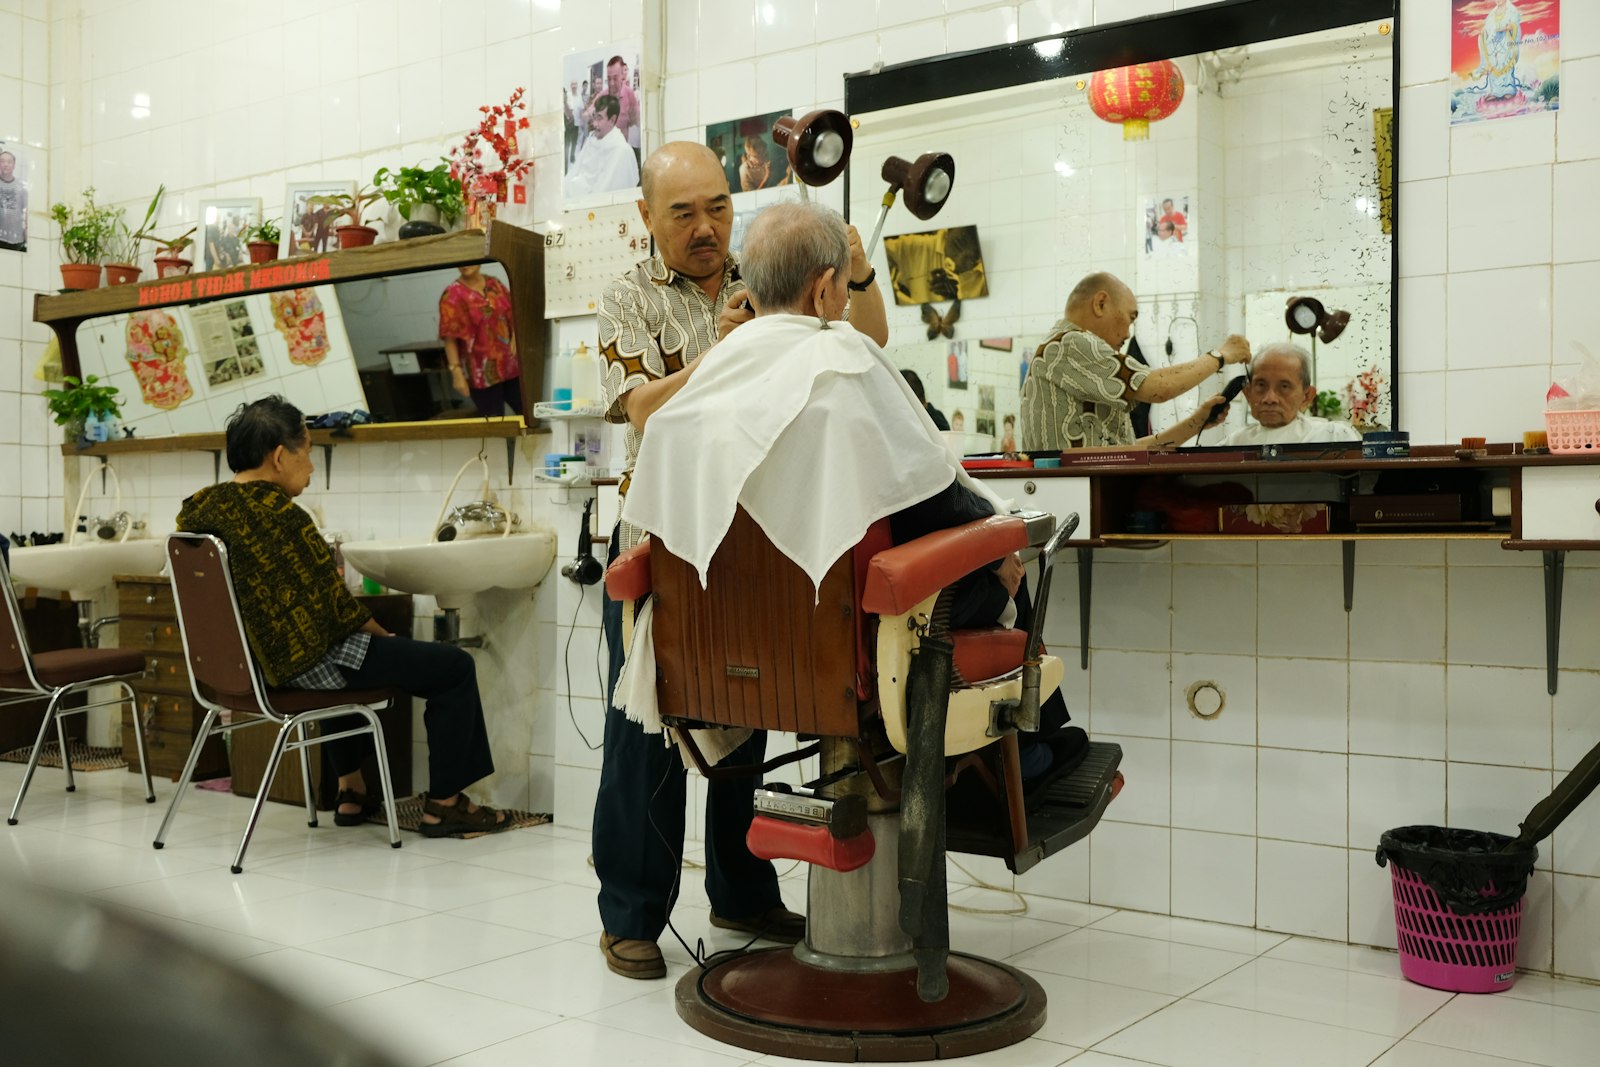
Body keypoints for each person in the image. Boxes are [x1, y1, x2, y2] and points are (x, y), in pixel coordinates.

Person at [621, 198, 1078, 802]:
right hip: (848, 628)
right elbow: (927, 491)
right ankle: (1032, 752)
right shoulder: (845, 362)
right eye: (841, 288)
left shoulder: (699, 385)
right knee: (1001, 574)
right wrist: (993, 543)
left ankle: (1018, 749)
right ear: (825, 288)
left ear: (753, 290)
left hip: (735, 636)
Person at [591, 142, 886, 982]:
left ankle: (741, 888)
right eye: (682, 212)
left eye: (717, 206)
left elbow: (868, 343)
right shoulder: (624, 299)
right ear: (647, 218)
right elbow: (642, 407)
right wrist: (717, 356)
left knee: (747, 705)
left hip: (761, 530)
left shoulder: (766, 266)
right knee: (650, 723)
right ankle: (632, 913)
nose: (706, 227)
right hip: (664, 535)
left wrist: (856, 276)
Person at [176, 396, 506, 836]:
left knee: (349, 658)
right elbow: (335, 610)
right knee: (453, 667)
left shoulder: (198, 512)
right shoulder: (282, 519)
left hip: (244, 671)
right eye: (307, 450)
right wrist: (382, 633)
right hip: (295, 668)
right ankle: (444, 805)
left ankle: (351, 790)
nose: (311, 465)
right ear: (279, 457)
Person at [1019, 271, 1250, 450]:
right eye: (1130, 319)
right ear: (1100, 304)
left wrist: (1197, 421)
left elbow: (1129, 451)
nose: (1128, 334)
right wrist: (1221, 355)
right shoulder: (1071, 344)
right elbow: (1160, 388)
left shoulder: (1065, 353)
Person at [1209, 342, 1362, 446]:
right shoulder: (1233, 443)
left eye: (1284, 386)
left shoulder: (1333, 437)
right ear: (1248, 394)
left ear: (1307, 396)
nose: (1270, 399)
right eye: (1261, 385)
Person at [438, 264, 522, 417]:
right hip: (480, 373)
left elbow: (513, 312)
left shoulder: (494, 284)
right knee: (495, 423)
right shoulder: (452, 294)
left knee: (528, 414)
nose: (464, 265)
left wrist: (517, 336)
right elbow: (449, 337)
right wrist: (456, 372)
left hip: (510, 365)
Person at [565, 95, 640, 197]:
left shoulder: (621, 151)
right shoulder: (591, 139)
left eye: (599, 118)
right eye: (594, 117)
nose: (594, 124)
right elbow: (575, 172)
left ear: (612, 120)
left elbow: (605, 193)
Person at [605, 55, 642, 152]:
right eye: (609, 79)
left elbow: (635, 118)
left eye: (626, 70)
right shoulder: (606, 94)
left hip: (624, 143)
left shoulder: (630, 93)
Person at [0, 149, 26, 250]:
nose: (5, 164)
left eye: (9, 162)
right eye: (2, 161)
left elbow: (26, 212)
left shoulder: (22, 186)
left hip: (16, 239)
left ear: (14, 166)